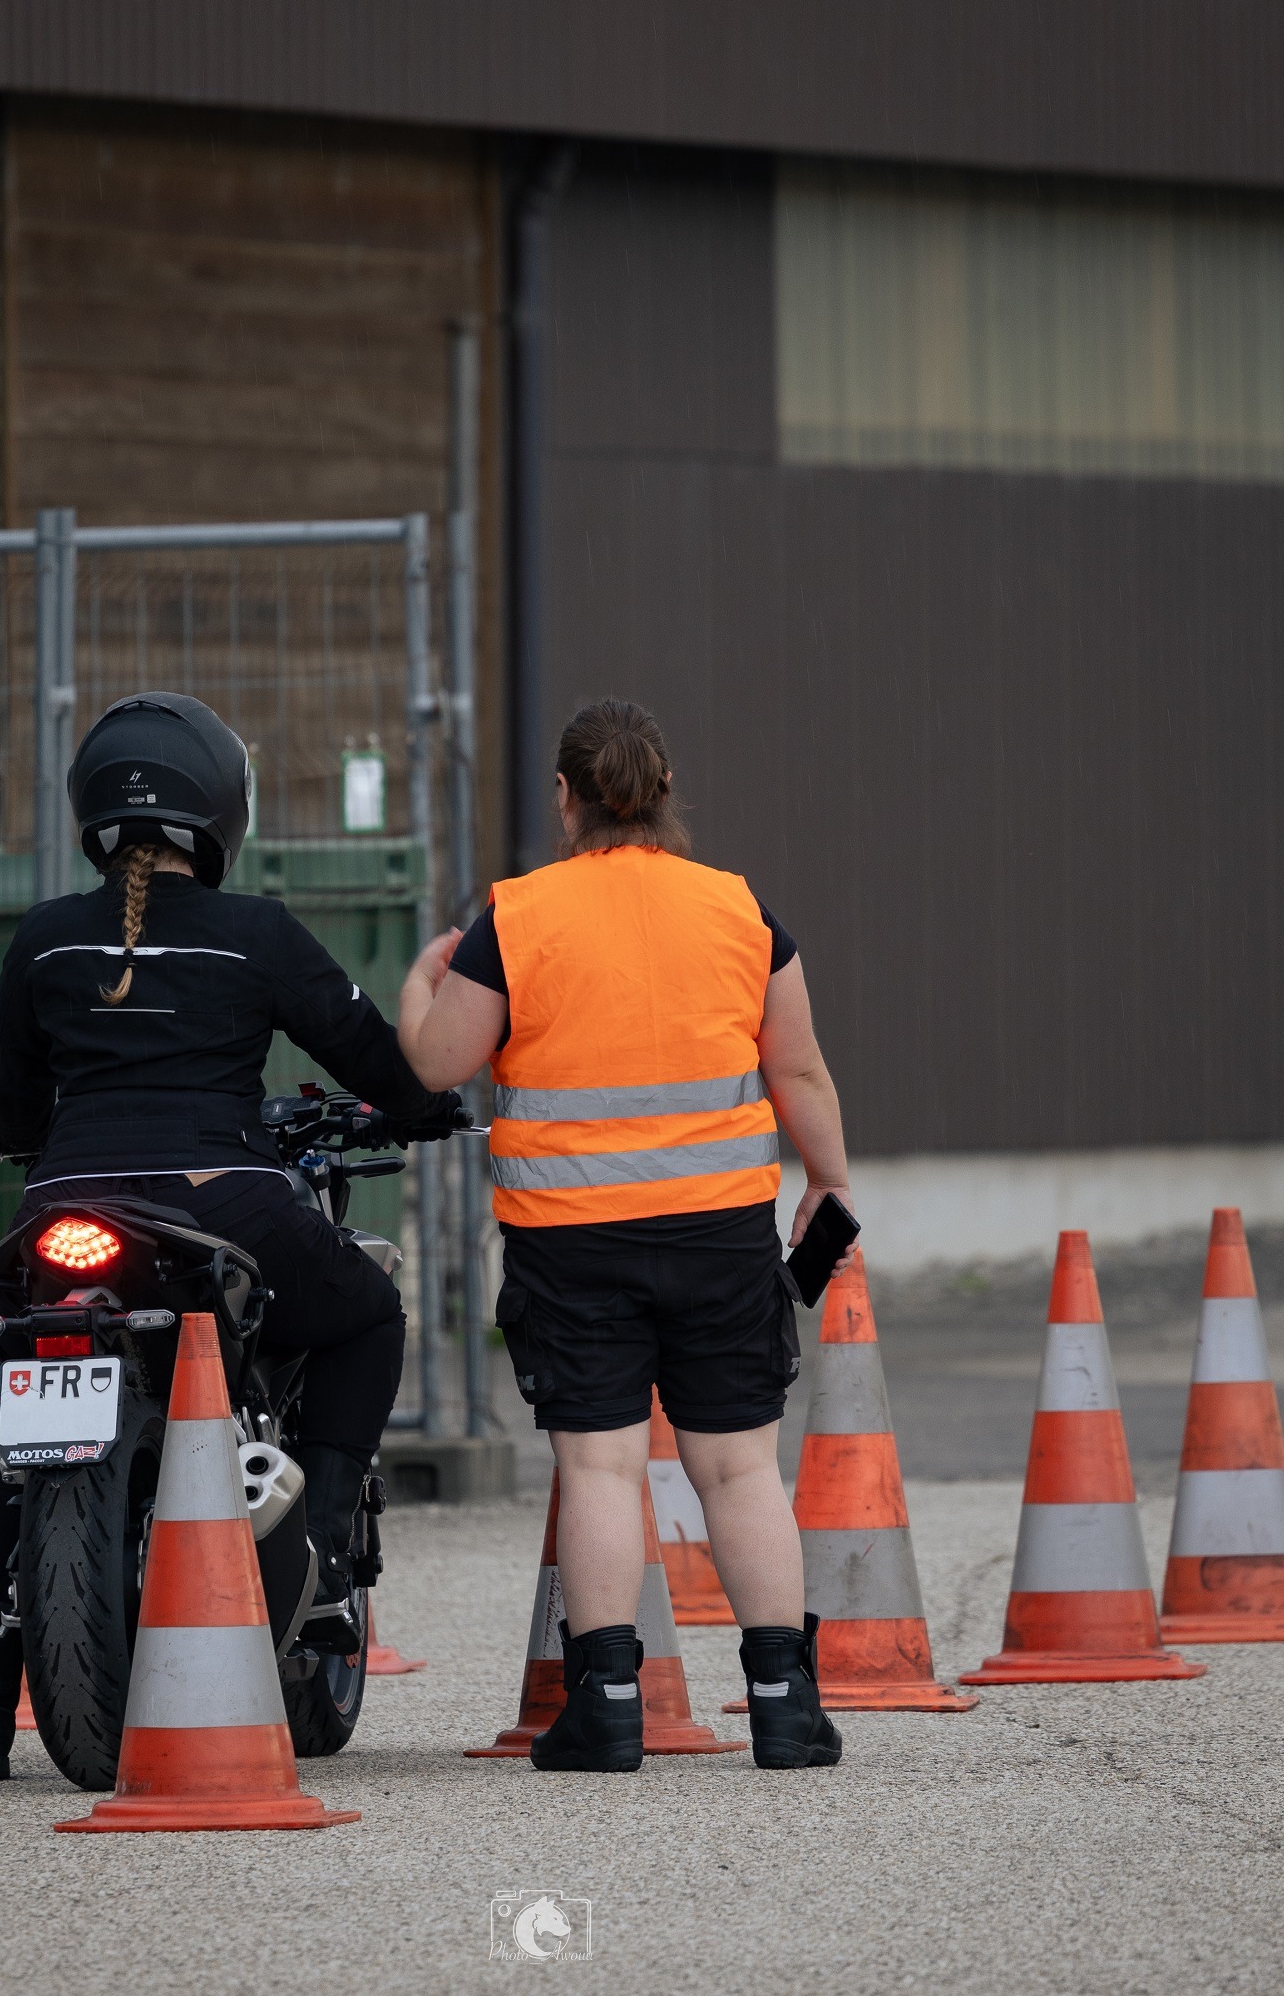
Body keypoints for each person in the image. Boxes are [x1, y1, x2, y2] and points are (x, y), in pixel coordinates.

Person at [0, 691, 460, 1780]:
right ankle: (320, 1548)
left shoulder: (44, 937)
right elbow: (372, 1055)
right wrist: (420, 1107)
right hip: (219, 1201)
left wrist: (42, 1137)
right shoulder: (257, 932)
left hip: (60, 1206)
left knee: (12, 1427)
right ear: (224, 807)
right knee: (369, 1314)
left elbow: (15, 1107)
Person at [398, 697, 853, 1773]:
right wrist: (828, 1181)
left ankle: (604, 1709)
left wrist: (421, 983)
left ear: (566, 797)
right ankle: (785, 1705)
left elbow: (437, 1065)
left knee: (601, 1468)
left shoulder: (517, 918)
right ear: (663, 792)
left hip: (571, 1241)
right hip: (721, 1234)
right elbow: (796, 1066)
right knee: (738, 1467)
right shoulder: (739, 908)